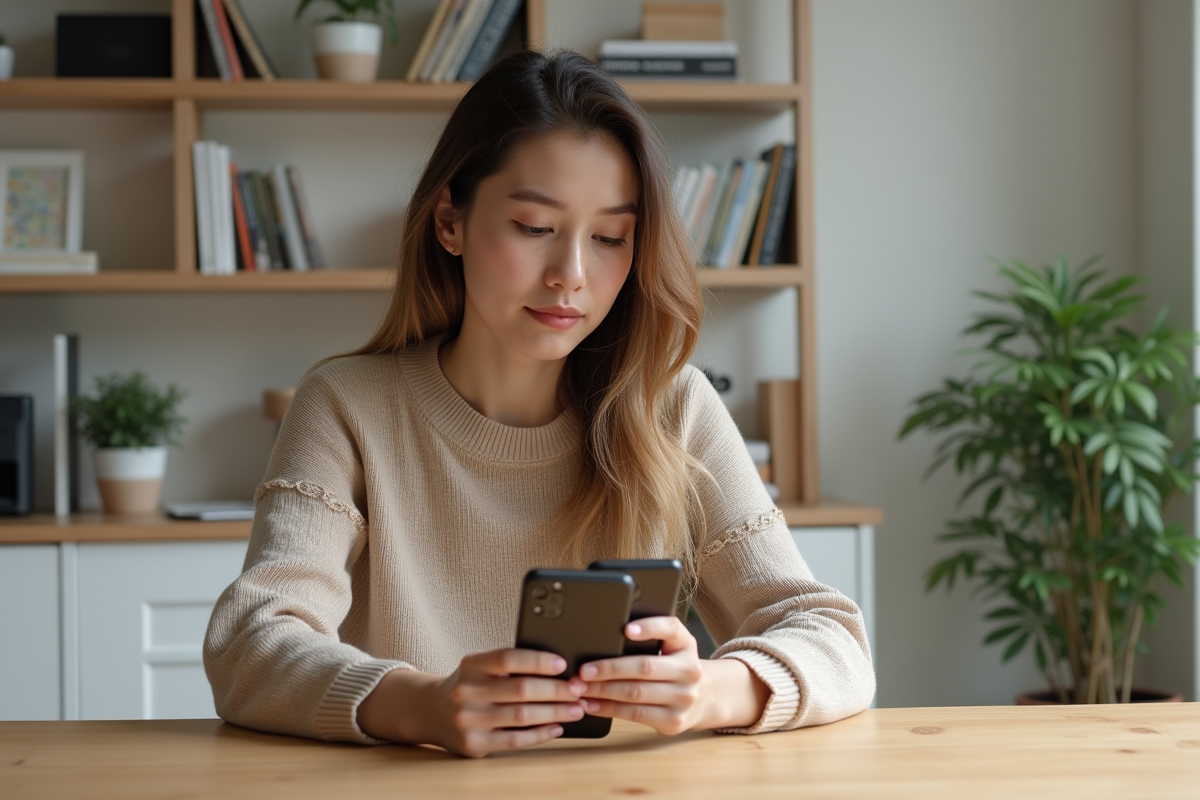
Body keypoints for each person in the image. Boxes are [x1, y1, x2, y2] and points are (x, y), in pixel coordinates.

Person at [203, 49, 874, 759]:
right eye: (533, 227)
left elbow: (833, 639)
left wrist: (712, 689)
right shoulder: (347, 406)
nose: (571, 276)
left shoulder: (671, 406)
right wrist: (421, 705)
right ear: (450, 224)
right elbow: (251, 642)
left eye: (611, 238)